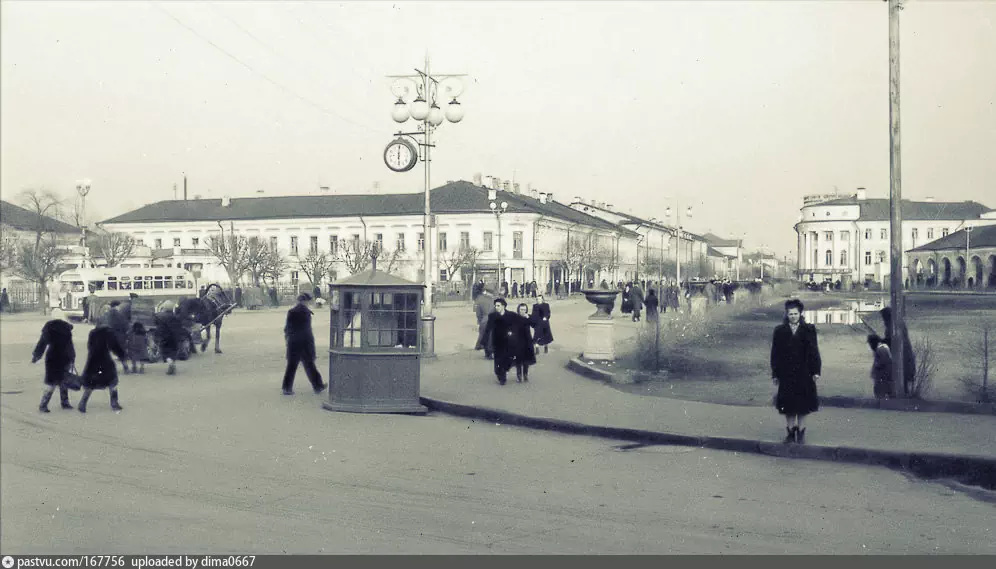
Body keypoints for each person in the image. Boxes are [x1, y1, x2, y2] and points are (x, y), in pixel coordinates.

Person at [770, 299, 821, 444]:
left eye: (795, 314)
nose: (793, 316)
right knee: (788, 406)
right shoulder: (779, 331)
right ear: (786, 315)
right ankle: (790, 432)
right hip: (786, 374)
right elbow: (775, 354)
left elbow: (814, 351)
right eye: (790, 314)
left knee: (803, 406)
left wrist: (816, 371)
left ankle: (801, 432)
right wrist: (775, 373)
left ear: (800, 314)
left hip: (804, 373)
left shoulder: (809, 329)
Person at [282, 294, 326, 395]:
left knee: (291, 366)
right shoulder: (306, 313)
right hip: (304, 343)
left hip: (293, 342)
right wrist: (311, 347)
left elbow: (287, 329)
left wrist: (288, 339)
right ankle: (318, 386)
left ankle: (286, 388)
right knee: (310, 365)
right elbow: (307, 332)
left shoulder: (291, 312)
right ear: (306, 302)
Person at [78, 325, 127, 414]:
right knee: (112, 381)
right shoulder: (109, 333)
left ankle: (83, 402)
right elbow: (115, 347)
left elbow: (89, 346)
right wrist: (122, 355)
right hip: (105, 361)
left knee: (91, 382)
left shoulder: (92, 333)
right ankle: (114, 403)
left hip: (92, 360)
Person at [32, 318, 77, 412]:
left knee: (51, 381)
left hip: (52, 357)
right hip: (65, 357)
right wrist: (72, 357)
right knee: (64, 379)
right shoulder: (66, 328)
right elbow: (70, 345)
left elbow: (42, 343)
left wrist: (36, 356)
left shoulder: (48, 328)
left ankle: (43, 404)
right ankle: (65, 403)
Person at [880, 307, 916, 397]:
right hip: (903, 356)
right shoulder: (897, 324)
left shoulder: (892, 327)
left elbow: (894, 341)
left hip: (902, 356)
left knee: (900, 376)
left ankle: (896, 395)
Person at [484, 298, 518, 385]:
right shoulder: (492, 316)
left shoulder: (510, 315)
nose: (496, 307)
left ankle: (505, 370)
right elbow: (488, 329)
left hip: (508, 341)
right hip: (497, 341)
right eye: (495, 306)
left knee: (508, 359)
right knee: (498, 360)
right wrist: (485, 342)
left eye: (498, 306)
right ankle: (501, 376)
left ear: (503, 306)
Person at [153, 301, 186, 375]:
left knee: (164, 352)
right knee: (173, 352)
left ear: (164, 308)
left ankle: (170, 363)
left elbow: (154, 322)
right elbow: (179, 327)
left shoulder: (159, 316)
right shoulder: (175, 317)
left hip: (164, 337)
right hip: (174, 337)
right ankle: (172, 365)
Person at [512, 303, 537, 382]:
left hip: (527, 340)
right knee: (518, 359)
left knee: (527, 359)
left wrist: (529, 318)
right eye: (521, 309)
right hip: (518, 340)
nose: (523, 311)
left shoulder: (528, 316)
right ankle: (519, 375)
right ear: (518, 310)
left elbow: (534, 324)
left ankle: (525, 374)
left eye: (524, 310)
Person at [867, 334, 894, 399]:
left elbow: (884, 362)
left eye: (870, 343)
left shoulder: (882, 349)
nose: (870, 346)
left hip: (882, 376)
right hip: (882, 376)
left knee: (880, 393)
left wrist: (876, 366)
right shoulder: (882, 348)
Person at [474, 286, 497, 359]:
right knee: (491, 337)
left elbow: (478, 312)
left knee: (485, 336)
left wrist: (480, 320)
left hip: (484, 320)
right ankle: (490, 353)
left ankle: (487, 353)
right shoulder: (495, 299)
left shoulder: (480, 299)